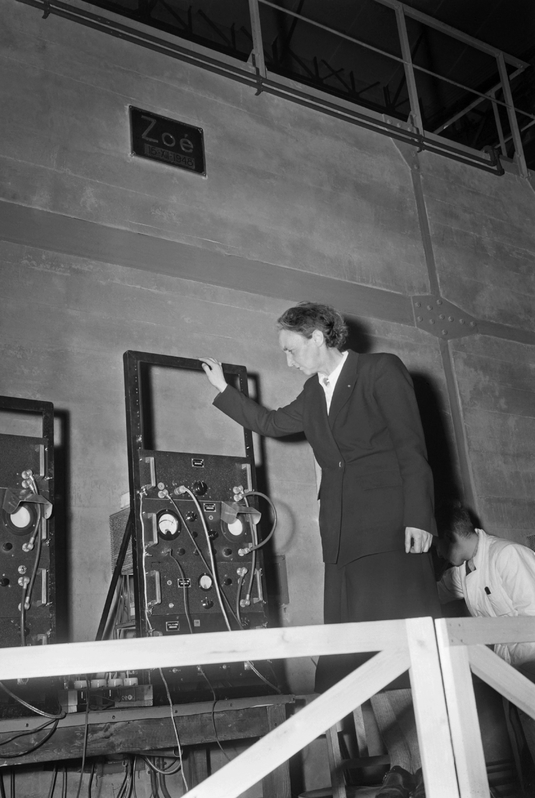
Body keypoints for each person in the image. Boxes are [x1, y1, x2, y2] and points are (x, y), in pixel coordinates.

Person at [201, 301, 441, 798]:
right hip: (343, 539)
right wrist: (224, 390)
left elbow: (410, 446)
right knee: (357, 656)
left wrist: (419, 517)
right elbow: (271, 423)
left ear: (317, 336)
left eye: (291, 350)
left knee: (399, 649)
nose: (287, 360)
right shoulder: (314, 392)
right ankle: (400, 767)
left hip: (390, 531)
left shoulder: (380, 370)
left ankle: (422, 765)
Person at [437, 506, 535, 762]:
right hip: (508, 669)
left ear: (449, 536)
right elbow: (434, 592)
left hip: (531, 660)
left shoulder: (506, 555)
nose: (438, 553)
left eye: (437, 545)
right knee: (524, 745)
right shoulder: (463, 570)